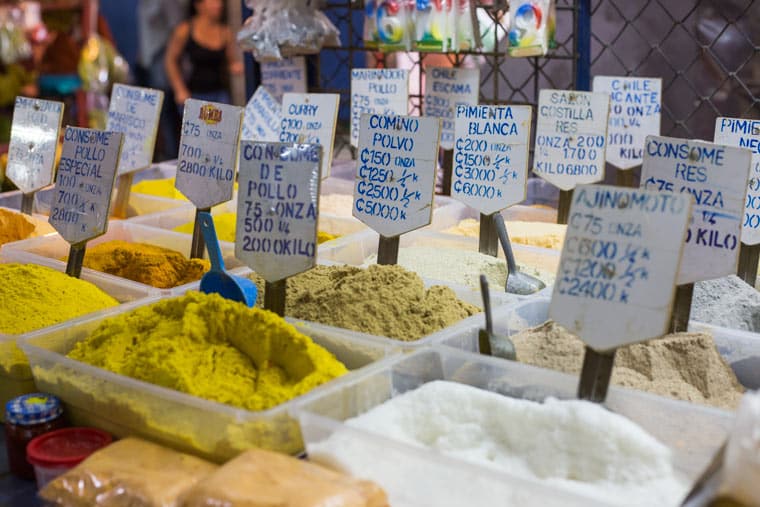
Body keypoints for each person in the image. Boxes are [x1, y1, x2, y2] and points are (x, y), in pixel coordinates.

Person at [164, 0, 242, 109]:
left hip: (219, 94)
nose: (218, 5)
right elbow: (170, 60)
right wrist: (179, 89)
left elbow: (232, 62)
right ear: (199, 5)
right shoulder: (185, 30)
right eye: (213, 2)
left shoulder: (225, 32)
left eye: (219, 2)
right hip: (194, 94)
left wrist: (237, 67)